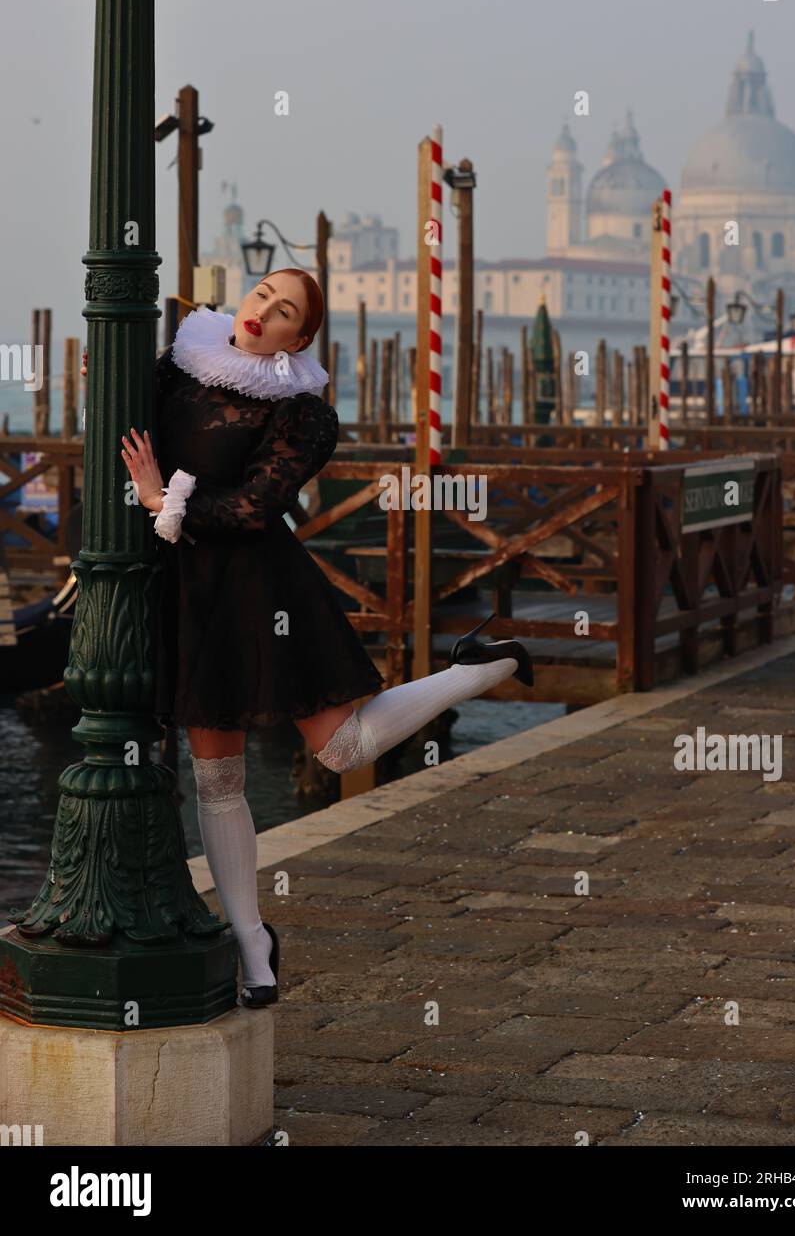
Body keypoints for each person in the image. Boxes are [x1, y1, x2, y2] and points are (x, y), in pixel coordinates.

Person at [105, 269, 531, 1007]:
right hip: (187, 595)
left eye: (284, 312)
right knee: (218, 780)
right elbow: (120, 416)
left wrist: (159, 497)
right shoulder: (178, 364)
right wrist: (100, 370)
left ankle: (474, 670)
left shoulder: (303, 415)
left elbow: (254, 508)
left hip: (263, 590)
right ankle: (252, 947)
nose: (262, 311)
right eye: (261, 294)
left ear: (296, 340)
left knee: (341, 749)